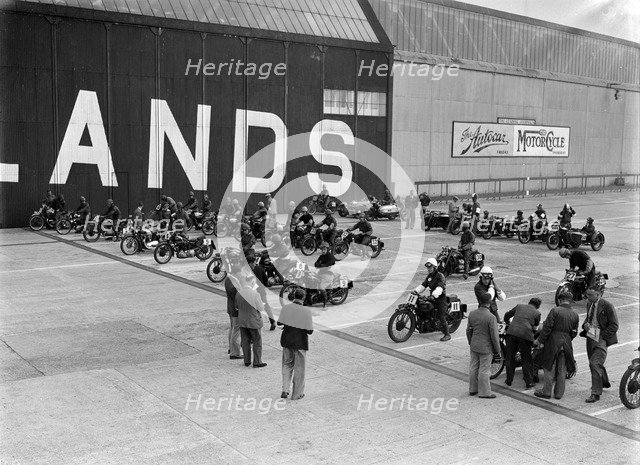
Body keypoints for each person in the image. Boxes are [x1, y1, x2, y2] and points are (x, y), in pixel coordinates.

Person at [534, 291, 579, 400]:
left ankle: (546, 392)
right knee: (562, 369)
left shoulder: (555, 310)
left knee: (549, 367)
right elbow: (574, 332)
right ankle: (559, 394)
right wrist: (567, 339)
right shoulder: (575, 314)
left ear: (560, 300)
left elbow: (547, 328)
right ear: (570, 301)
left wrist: (540, 341)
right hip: (566, 343)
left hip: (553, 341)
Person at [581, 286, 618, 403]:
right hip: (591, 336)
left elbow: (614, 325)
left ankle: (595, 393)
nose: (587, 297)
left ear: (598, 294)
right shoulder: (589, 304)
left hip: (601, 337)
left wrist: (602, 336)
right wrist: (585, 325)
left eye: (590, 295)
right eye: (587, 294)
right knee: (595, 361)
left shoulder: (607, 306)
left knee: (594, 363)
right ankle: (603, 382)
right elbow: (588, 318)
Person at [279, 288, 313, 400]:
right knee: (299, 369)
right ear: (303, 297)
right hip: (300, 342)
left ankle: (285, 389)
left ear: (294, 296)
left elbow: (279, 323)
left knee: (287, 365)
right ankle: (296, 394)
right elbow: (310, 331)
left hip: (287, 340)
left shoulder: (286, 308)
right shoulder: (306, 311)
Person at [466, 292, 501, 398]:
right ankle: (485, 392)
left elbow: (468, 330)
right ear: (489, 303)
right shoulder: (491, 317)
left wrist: (470, 342)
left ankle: (473, 389)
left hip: (474, 345)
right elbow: (494, 336)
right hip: (486, 347)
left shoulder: (472, 314)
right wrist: (497, 350)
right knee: (484, 370)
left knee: (473, 367)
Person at [503, 297, 542, 388]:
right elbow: (535, 328)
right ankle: (528, 382)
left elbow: (507, 315)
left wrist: (507, 322)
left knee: (510, 357)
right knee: (526, 359)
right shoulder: (537, 313)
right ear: (538, 306)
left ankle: (509, 380)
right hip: (525, 336)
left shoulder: (519, 306)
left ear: (529, 302)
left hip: (512, 333)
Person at [413, 258, 450, 341]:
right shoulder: (430, 276)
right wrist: (416, 291)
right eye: (428, 268)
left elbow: (440, 287)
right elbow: (424, 285)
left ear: (435, 267)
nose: (428, 269)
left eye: (430, 267)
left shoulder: (440, 276)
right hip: (432, 297)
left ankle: (447, 334)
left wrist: (434, 295)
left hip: (440, 298)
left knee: (441, 316)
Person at [236, 274, 267, 368]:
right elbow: (261, 308)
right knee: (257, 341)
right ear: (252, 282)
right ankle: (257, 361)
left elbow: (236, 306)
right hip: (253, 321)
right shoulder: (255, 294)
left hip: (242, 320)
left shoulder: (239, 293)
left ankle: (247, 360)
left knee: (245, 341)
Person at [246, 253, 276, 331]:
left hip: (251, 293)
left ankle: (254, 326)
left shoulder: (245, 271)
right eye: (254, 262)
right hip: (260, 292)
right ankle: (272, 321)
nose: (255, 264)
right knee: (266, 306)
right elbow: (266, 282)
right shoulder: (260, 269)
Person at [224, 268, 243, 360]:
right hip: (236, 310)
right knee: (236, 330)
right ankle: (234, 352)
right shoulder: (233, 282)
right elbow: (236, 294)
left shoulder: (228, 279)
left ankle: (231, 348)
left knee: (232, 328)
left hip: (231, 308)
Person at [314, 242, 335, 307]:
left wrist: (320, 265)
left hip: (328, 275)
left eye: (324, 249)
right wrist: (320, 265)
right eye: (322, 249)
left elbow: (326, 265)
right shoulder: (321, 256)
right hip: (320, 273)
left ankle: (325, 303)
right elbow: (315, 264)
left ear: (328, 249)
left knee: (321, 287)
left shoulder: (331, 257)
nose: (323, 251)